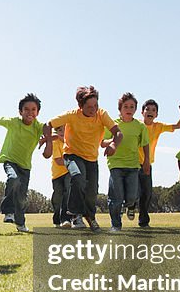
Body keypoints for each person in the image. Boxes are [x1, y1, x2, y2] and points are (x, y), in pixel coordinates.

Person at [43, 86, 122, 232]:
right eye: (89, 107)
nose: (93, 110)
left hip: (91, 158)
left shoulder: (102, 114)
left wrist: (113, 144)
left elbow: (118, 133)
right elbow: (48, 125)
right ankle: (75, 215)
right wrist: (48, 141)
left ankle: (91, 217)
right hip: (72, 154)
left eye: (95, 106)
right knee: (78, 176)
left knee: (92, 192)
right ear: (80, 106)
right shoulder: (72, 115)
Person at [0, 93, 45, 233]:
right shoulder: (14, 122)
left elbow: (48, 131)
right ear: (20, 111)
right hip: (10, 160)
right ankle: (8, 212)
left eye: (33, 109)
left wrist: (49, 139)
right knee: (13, 179)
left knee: (21, 198)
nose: (30, 112)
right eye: (26, 109)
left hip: (25, 166)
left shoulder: (38, 127)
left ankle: (20, 224)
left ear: (38, 112)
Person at [104, 92, 150, 232]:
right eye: (126, 106)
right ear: (120, 109)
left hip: (133, 166)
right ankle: (116, 225)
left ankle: (130, 206)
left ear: (136, 109)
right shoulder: (112, 125)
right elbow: (102, 142)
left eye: (132, 106)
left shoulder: (140, 126)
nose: (129, 109)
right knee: (116, 197)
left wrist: (147, 161)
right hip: (116, 165)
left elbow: (145, 144)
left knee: (131, 196)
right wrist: (112, 142)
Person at [136, 99, 180, 227]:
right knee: (134, 191)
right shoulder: (136, 124)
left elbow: (178, 126)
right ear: (142, 112)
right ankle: (130, 206)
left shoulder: (158, 127)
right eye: (147, 109)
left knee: (146, 193)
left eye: (153, 110)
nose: (150, 112)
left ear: (156, 114)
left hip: (147, 165)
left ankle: (143, 221)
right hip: (133, 164)